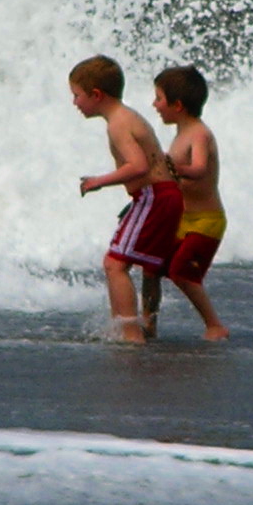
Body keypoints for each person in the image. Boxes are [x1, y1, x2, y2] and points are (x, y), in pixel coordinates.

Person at [70, 54, 181, 343]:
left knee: (114, 264)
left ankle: (130, 333)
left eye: (77, 96)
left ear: (96, 95)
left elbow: (139, 166)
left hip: (153, 196)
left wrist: (98, 182)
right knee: (147, 266)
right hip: (163, 196)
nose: (74, 103)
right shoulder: (128, 116)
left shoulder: (118, 123)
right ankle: (146, 325)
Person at [149, 64, 230, 341]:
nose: (155, 105)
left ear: (178, 105)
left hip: (207, 221)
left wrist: (169, 166)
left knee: (182, 273)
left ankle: (215, 325)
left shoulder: (200, 134)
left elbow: (198, 169)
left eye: (159, 99)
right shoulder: (180, 134)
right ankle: (148, 325)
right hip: (183, 219)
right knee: (151, 267)